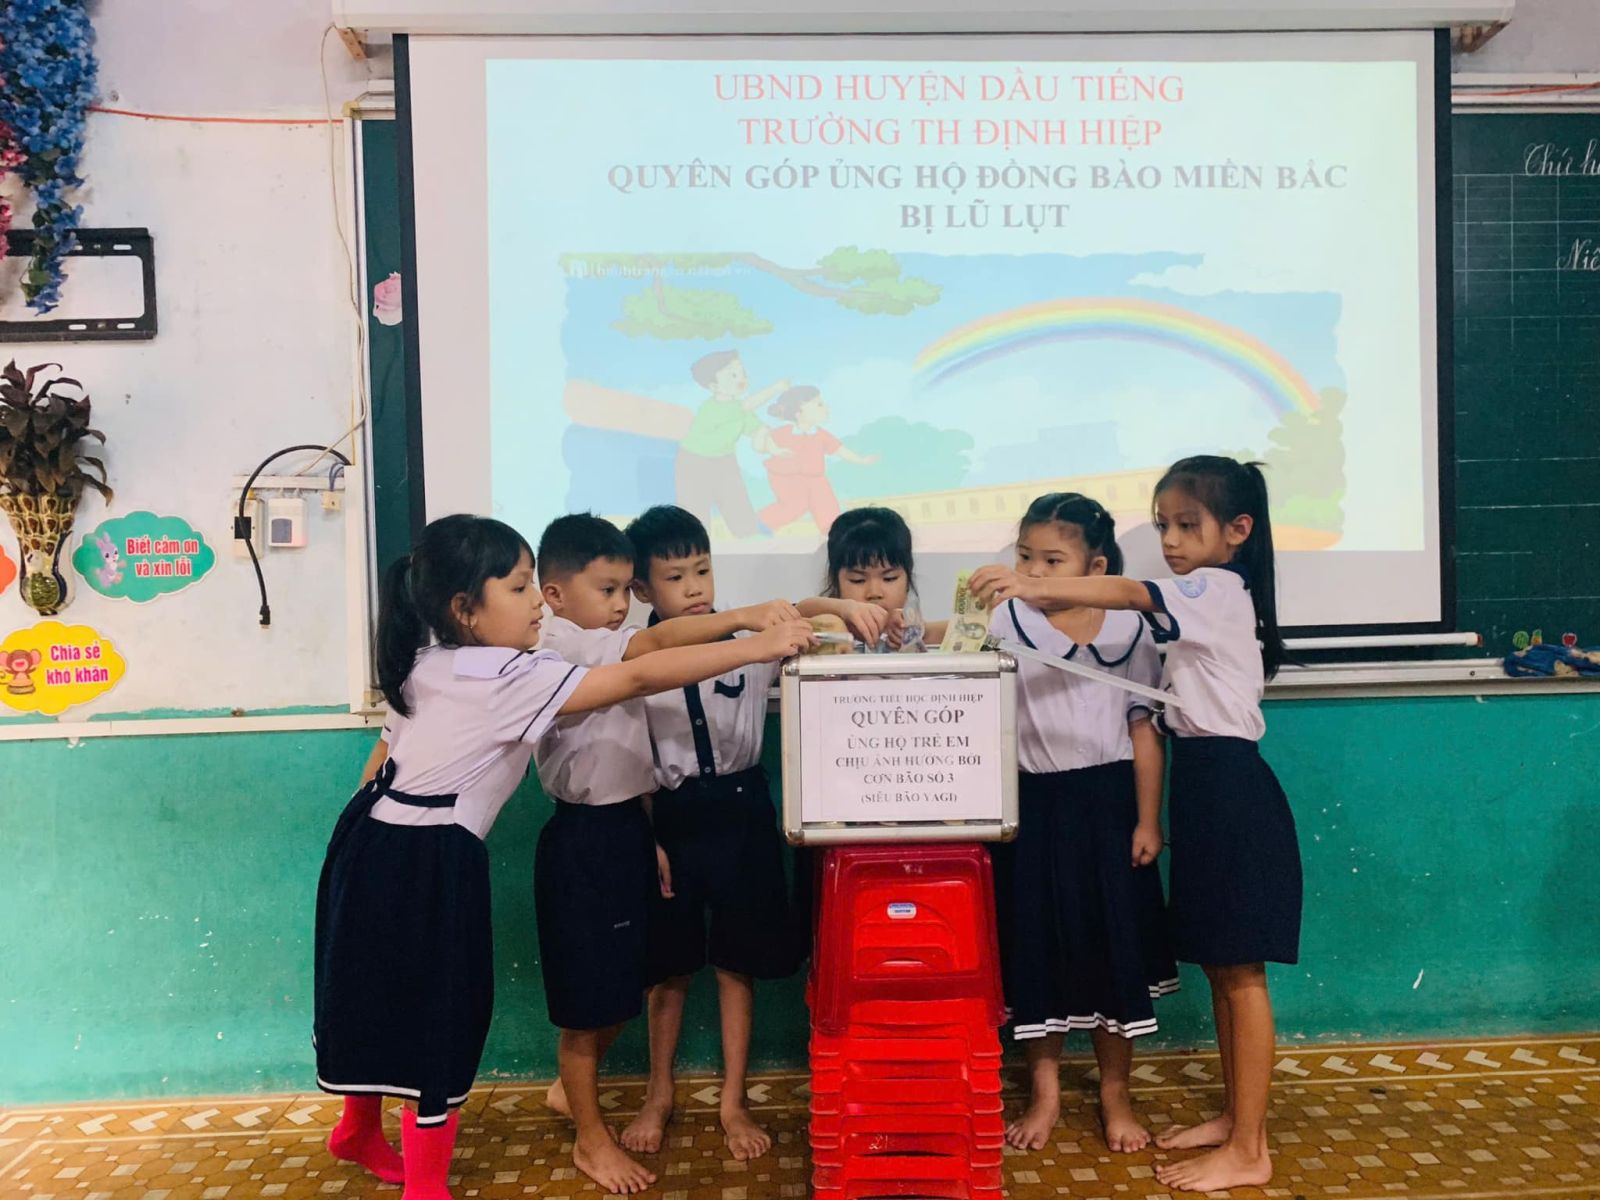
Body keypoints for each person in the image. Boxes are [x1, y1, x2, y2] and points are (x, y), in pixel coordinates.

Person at [971, 456, 1301, 1193]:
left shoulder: (1215, 587)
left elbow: (1126, 591)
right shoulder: (1207, 595)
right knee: (1223, 971)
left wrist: (1030, 584)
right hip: (1207, 786)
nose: (1171, 540)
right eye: (1162, 526)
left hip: (1232, 789)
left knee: (1242, 977)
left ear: (1238, 530)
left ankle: (1250, 1149)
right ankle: (1235, 1119)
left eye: (1187, 524)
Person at [984, 493, 1176, 1153]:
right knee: (1039, 951)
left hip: (1112, 808)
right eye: (1025, 558)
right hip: (1036, 807)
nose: (1034, 572)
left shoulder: (1131, 627)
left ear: (1095, 567)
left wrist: (1147, 820)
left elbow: (1144, 730)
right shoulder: (1005, 620)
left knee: (1113, 952)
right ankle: (1045, 1093)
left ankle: (1115, 1094)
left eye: (1052, 561)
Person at [618, 504, 805, 1161]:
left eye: (703, 570)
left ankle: (733, 1099)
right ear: (643, 590)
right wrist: (650, 839)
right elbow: (631, 759)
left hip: (742, 811)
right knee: (667, 971)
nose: (695, 588)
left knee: (736, 963)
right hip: (670, 818)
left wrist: (838, 610)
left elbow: (801, 619)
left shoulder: (747, 642)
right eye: (676, 578)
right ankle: (658, 1093)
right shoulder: (632, 657)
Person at [676, 350, 786, 538]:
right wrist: (776, 388)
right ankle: (696, 544)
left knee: (736, 501)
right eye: (733, 375)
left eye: (743, 373)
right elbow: (744, 406)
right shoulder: (711, 408)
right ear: (714, 386)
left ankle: (749, 536)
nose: (741, 379)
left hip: (725, 460)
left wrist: (773, 448)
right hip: (694, 461)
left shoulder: (741, 410)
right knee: (695, 508)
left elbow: (757, 434)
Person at [758, 385, 877, 535]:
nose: (826, 408)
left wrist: (861, 460)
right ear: (798, 413)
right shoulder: (784, 432)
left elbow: (839, 449)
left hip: (815, 477)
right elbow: (765, 443)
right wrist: (772, 448)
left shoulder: (821, 435)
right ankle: (761, 523)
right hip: (786, 477)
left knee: (826, 504)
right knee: (795, 505)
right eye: (819, 404)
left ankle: (833, 532)